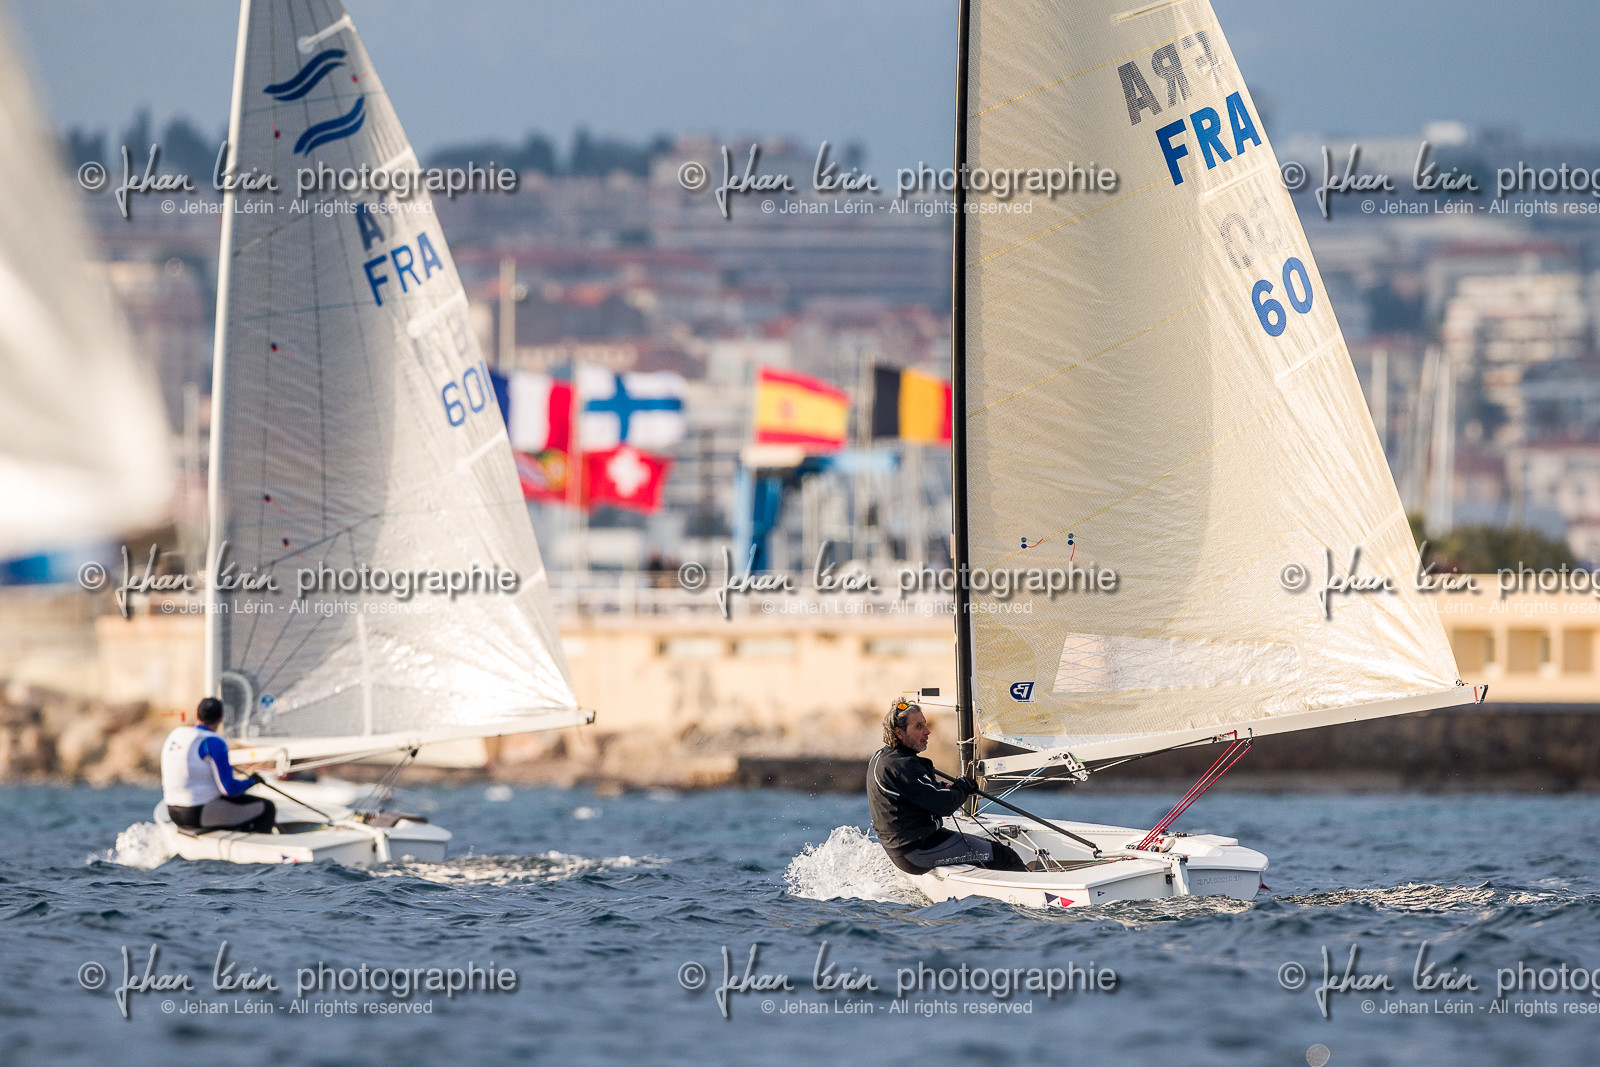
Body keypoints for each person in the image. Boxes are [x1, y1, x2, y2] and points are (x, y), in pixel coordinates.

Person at [866, 700, 1026, 875]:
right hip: (916, 852)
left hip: (906, 847)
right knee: (1005, 856)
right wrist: (964, 785)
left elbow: (912, 792)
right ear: (899, 733)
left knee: (988, 851)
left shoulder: (883, 756)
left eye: (925, 725)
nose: (927, 732)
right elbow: (945, 805)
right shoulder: (901, 765)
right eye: (919, 726)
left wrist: (942, 787)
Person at [161, 697, 275, 833]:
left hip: (173, 812)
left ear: (197, 715)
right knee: (267, 808)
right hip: (198, 814)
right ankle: (256, 851)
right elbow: (229, 789)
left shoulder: (177, 733)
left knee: (238, 805)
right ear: (221, 719)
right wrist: (252, 781)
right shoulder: (215, 742)